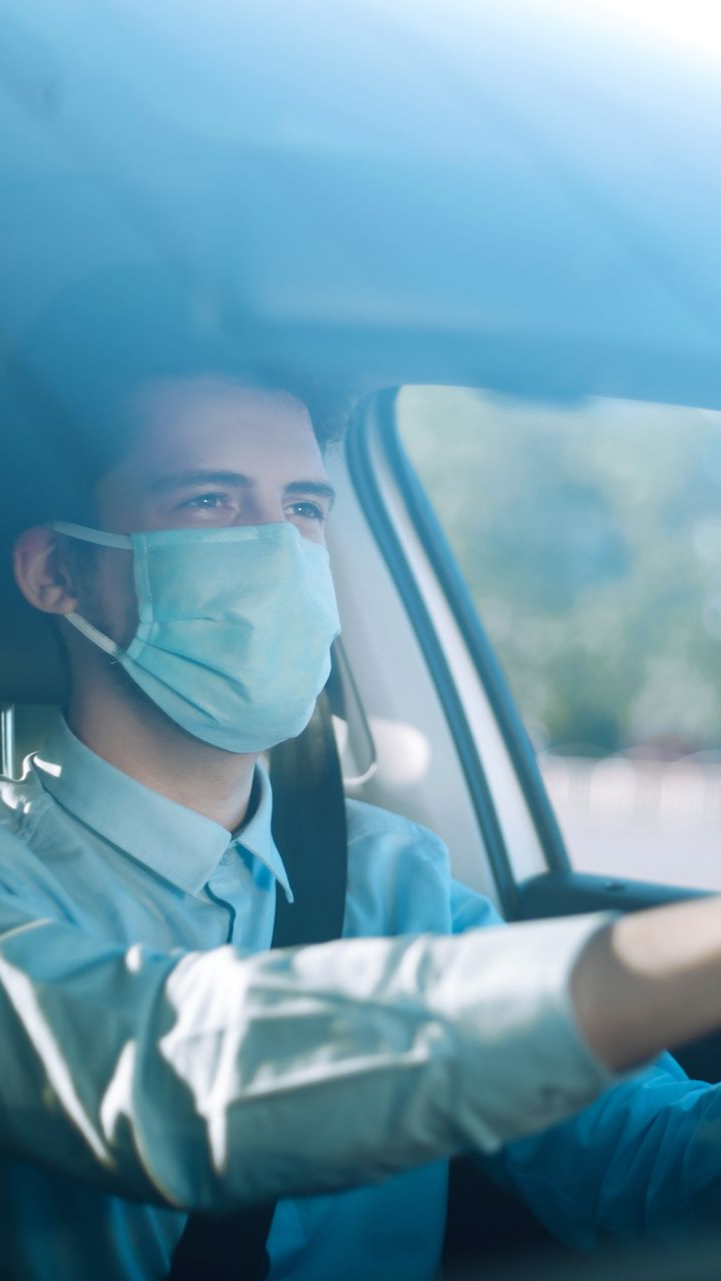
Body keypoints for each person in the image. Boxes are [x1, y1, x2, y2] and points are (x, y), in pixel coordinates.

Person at [3, 268, 721, 1281]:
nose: (276, 549)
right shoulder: (13, 895)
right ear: (57, 573)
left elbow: (629, 1147)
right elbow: (174, 1081)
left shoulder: (396, 877)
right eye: (208, 500)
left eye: (301, 505)